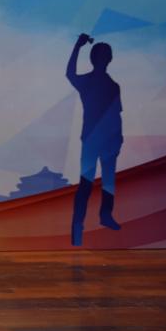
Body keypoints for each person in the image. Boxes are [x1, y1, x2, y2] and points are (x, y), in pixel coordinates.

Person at [66, 33, 122, 246]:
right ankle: (78, 227)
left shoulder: (112, 85)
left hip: (106, 140)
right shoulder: (92, 82)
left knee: (105, 181)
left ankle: (103, 216)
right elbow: (70, 73)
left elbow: (116, 114)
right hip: (93, 140)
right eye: (102, 56)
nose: (104, 59)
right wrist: (77, 46)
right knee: (88, 183)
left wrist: (119, 137)